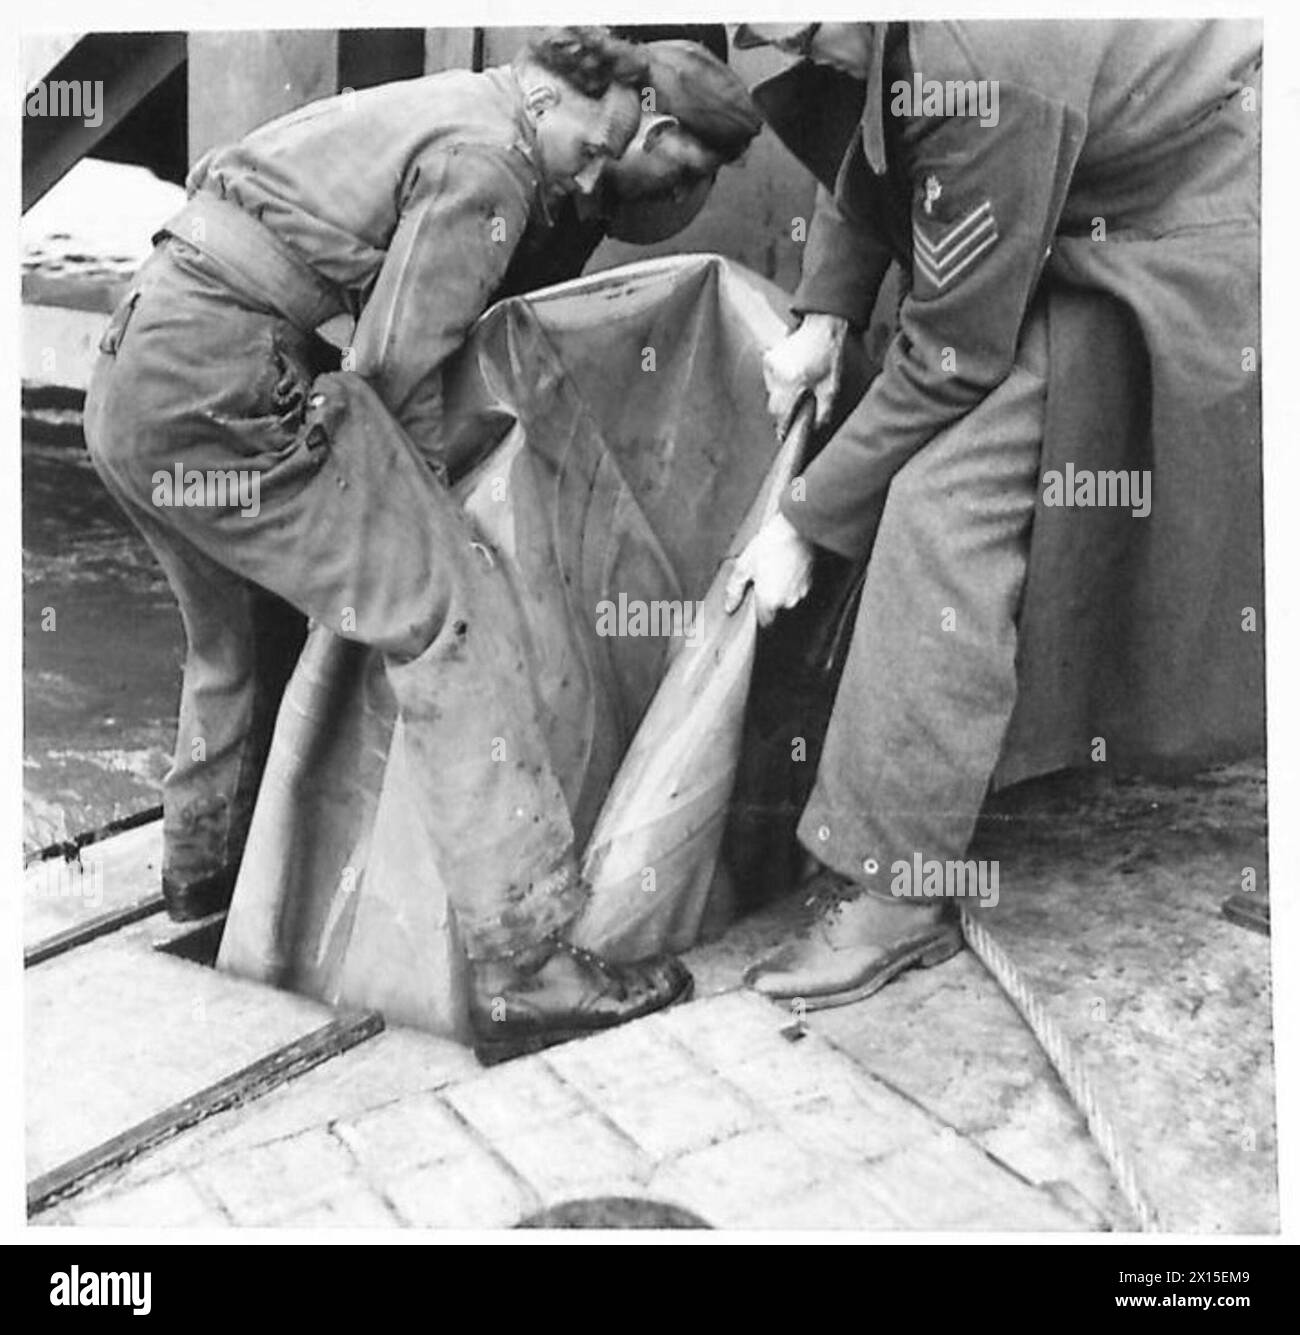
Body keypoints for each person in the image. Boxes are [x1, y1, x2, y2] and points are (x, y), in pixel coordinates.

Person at [83, 26, 692, 1058]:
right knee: (448, 612)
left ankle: (203, 880)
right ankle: (529, 967)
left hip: (140, 366)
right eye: (594, 150)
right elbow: (390, 370)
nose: (595, 179)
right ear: (545, 103)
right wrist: (435, 514)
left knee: (236, 636)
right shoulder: (492, 155)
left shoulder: (447, 102)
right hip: (219, 386)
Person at [725, 20, 1263, 1006]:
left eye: (798, 32)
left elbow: (949, 356)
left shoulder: (983, 62)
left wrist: (801, 521)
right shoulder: (903, 36)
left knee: (942, 509)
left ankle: (897, 889)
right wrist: (827, 313)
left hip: (1203, 218)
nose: (791, 54)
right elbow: (883, 141)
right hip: (1103, 197)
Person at [495, 32, 761, 299]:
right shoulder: (515, 166)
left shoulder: (598, 205)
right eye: (685, 173)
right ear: (657, 133)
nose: (679, 195)